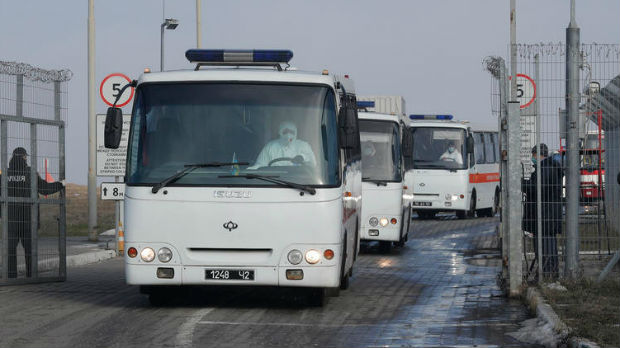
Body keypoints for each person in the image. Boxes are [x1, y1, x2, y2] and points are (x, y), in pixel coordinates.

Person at [6, 147, 64, 278]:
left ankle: (11, 276)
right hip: (28, 218)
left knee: (10, 250)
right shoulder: (30, 173)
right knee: (30, 250)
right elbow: (44, 189)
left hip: (10, 219)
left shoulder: (5, 173)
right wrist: (60, 184)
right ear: (24, 158)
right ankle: (31, 275)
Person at [522, 143, 563, 279]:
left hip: (545, 214)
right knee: (548, 243)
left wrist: (522, 183)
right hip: (548, 213)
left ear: (538, 155)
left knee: (545, 245)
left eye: (533, 156)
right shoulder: (549, 166)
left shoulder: (545, 168)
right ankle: (550, 271)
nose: (532, 159)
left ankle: (547, 273)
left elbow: (538, 189)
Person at [251, 121, 316, 168]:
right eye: (285, 132)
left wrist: (303, 157)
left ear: (296, 132)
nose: (288, 135)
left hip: (299, 182)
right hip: (274, 182)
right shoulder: (270, 147)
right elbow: (260, 166)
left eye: (291, 132)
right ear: (280, 132)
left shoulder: (303, 146)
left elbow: (313, 165)